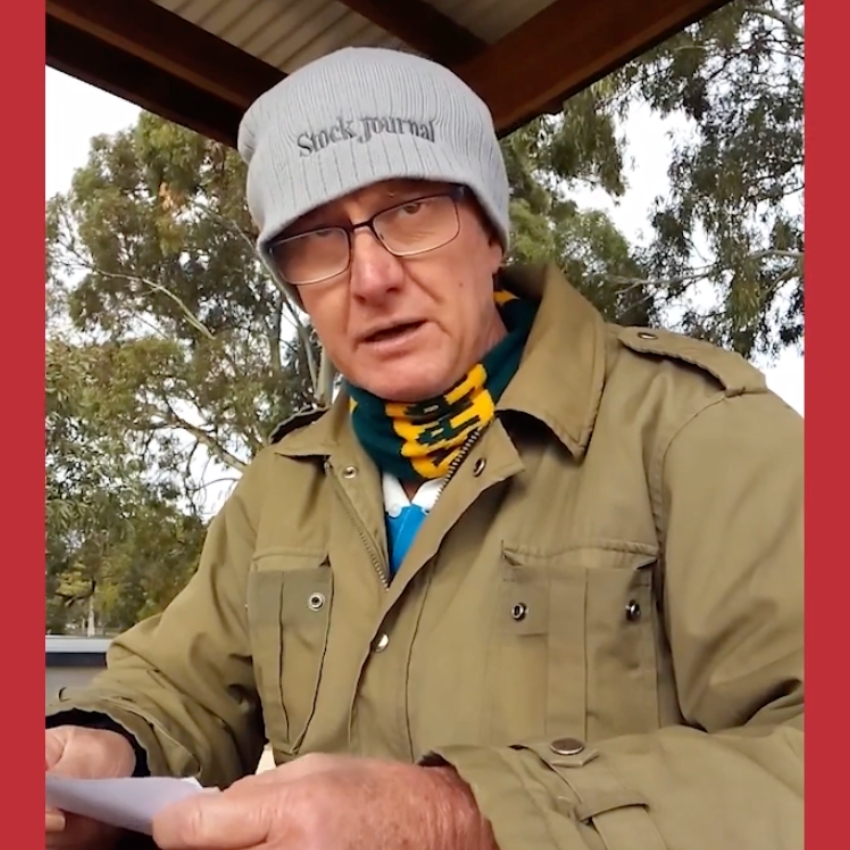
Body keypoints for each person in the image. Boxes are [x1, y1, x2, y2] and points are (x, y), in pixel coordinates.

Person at [45, 46, 803, 850]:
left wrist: (455, 817)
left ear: (488, 231)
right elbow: (182, 688)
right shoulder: (284, 485)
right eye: (315, 237)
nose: (369, 277)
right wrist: (105, 748)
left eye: (411, 210)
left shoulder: (695, 432)